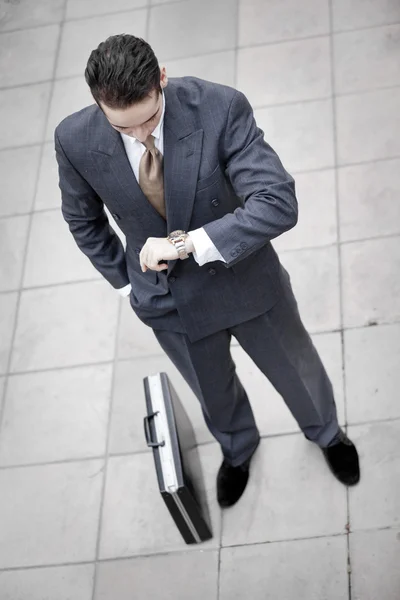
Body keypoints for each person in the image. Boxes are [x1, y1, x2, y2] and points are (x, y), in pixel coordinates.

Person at [56, 34, 360, 508]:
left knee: (295, 369)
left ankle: (327, 434)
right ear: (98, 103)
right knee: (211, 391)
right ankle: (238, 449)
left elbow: (277, 203)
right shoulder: (73, 138)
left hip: (245, 280)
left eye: (149, 119)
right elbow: (82, 219)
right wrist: (126, 285)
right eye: (123, 128)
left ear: (162, 79)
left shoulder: (220, 108)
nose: (139, 136)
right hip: (167, 300)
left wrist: (185, 244)